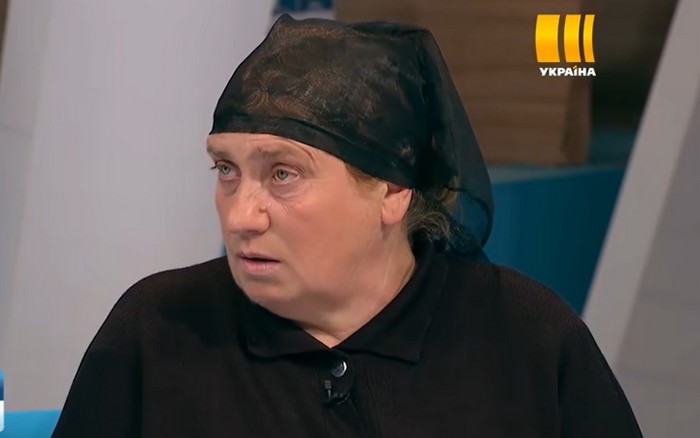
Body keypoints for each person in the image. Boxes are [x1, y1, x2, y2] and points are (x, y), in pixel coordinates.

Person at [52, 14, 643, 438]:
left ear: (392, 190)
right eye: (226, 169)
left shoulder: (526, 339)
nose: (239, 216)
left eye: (283, 174)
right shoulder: (159, 328)